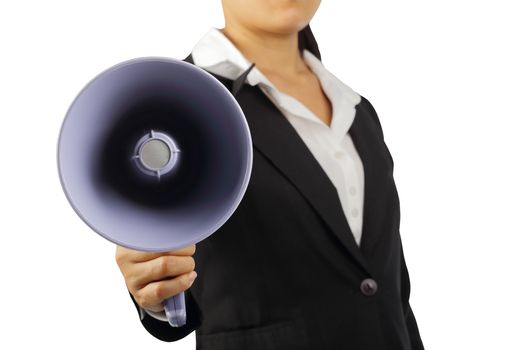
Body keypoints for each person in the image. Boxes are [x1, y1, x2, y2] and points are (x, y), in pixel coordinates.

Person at [115, 1, 424, 349]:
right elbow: (170, 271)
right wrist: (157, 292)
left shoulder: (359, 112)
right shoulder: (176, 106)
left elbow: (390, 286)